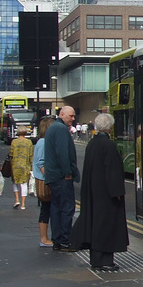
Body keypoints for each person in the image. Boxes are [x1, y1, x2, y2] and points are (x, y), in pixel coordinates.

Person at [70, 112, 128, 271]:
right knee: (106, 226)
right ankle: (105, 261)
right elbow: (112, 170)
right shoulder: (108, 145)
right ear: (110, 127)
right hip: (106, 195)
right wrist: (117, 191)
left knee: (96, 226)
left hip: (93, 192)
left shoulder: (92, 144)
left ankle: (97, 260)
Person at [44, 106, 80, 251]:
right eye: (71, 116)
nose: (73, 119)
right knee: (66, 208)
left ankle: (57, 240)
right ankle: (65, 240)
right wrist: (67, 172)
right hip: (61, 176)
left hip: (53, 176)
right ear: (62, 114)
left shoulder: (53, 127)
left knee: (56, 208)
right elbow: (62, 153)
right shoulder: (60, 129)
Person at [32, 116, 55, 247]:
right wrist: (50, 177)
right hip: (44, 181)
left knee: (47, 209)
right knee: (46, 209)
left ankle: (46, 238)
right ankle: (44, 239)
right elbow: (41, 162)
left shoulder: (44, 142)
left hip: (45, 180)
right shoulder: (43, 142)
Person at [8, 126, 34, 210]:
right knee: (24, 184)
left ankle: (16, 200)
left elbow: (11, 153)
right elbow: (31, 155)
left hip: (15, 165)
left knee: (15, 182)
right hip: (25, 165)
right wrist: (32, 167)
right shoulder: (29, 142)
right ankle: (23, 204)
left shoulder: (14, 142)